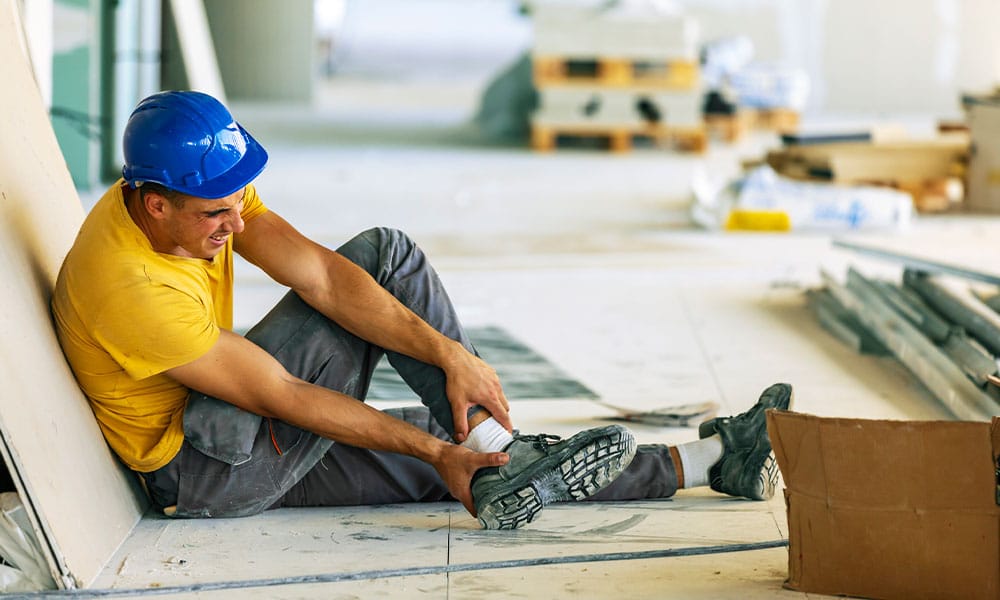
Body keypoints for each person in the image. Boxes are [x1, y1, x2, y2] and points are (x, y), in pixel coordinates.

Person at [51, 91, 793, 530]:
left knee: (479, 466)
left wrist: (451, 360)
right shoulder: (129, 285)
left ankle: (714, 460)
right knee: (388, 261)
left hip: (234, 434)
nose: (236, 226)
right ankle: (492, 442)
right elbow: (285, 394)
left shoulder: (193, 189)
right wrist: (440, 445)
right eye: (217, 214)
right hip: (206, 467)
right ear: (156, 204)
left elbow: (318, 276)